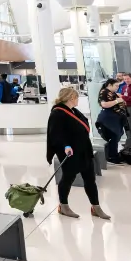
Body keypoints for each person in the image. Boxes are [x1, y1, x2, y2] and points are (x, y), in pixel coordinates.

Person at [46, 87, 110, 219]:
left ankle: (96, 207)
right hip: (70, 152)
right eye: (76, 98)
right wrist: (66, 146)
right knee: (68, 179)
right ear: (71, 98)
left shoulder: (73, 111)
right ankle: (63, 206)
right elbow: (55, 134)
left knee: (90, 179)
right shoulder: (57, 113)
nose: (78, 100)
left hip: (84, 150)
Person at [96, 77, 128, 164]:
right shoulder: (104, 92)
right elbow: (104, 104)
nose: (117, 88)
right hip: (109, 118)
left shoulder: (111, 93)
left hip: (115, 117)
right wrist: (117, 100)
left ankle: (112, 155)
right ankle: (112, 156)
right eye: (116, 86)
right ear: (109, 85)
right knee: (114, 135)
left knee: (116, 136)